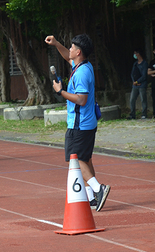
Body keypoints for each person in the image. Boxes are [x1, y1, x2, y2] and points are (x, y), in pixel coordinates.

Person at [45, 33, 111, 212]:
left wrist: (60, 92)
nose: (70, 50)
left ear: (79, 51)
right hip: (87, 123)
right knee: (86, 159)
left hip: (79, 124)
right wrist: (57, 44)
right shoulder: (84, 65)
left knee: (76, 159)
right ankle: (92, 197)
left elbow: (81, 99)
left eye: (72, 47)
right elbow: (67, 56)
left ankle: (99, 189)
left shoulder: (81, 73)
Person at [129, 49, 148, 119]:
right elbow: (132, 74)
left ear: (138, 54)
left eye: (135, 53)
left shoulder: (144, 64)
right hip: (135, 85)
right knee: (132, 100)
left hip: (142, 84)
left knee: (143, 99)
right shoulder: (135, 64)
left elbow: (144, 75)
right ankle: (132, 114)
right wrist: (134, 82)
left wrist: (138, 82)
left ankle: (144, 114)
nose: (134, 55)